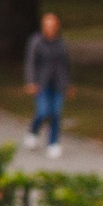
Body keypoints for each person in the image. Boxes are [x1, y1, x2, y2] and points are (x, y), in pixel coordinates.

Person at [26, 10, 72, 158]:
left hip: (58, 83)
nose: (50, 28)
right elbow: (31, 63)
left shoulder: (61, 43)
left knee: (56, 113)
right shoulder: (36, 41)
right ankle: (33, 131)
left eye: (53, 26)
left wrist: (68, 84)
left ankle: (53, 143)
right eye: (48, 25)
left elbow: (65, 65)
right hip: (42, 83)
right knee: (43, 111)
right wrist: (31, 81)